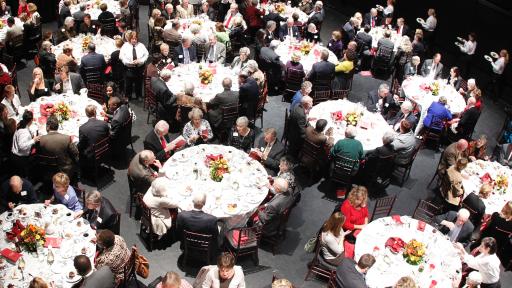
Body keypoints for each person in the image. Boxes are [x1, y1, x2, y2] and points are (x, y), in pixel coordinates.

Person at [77, 105, 110, 174]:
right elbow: (108, 136)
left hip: (91, 156)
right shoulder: (104, 123)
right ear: (95, 112)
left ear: (86, 114)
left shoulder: (82, 128)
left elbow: (81, 146)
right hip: (105, 151)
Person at [120, 31, 148, 100]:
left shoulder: (141, 45)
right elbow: (121, 56)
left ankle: (139, 95)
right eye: (132, 39)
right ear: (129, 39)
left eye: (135, 39)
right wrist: (128, 62)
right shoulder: (125, 46)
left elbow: (146, 55)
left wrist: (140, 61)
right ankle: (128, 96)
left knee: (138, 82)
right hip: (129, 68)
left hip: (139, 67)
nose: (134, 40)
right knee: (128, 83)